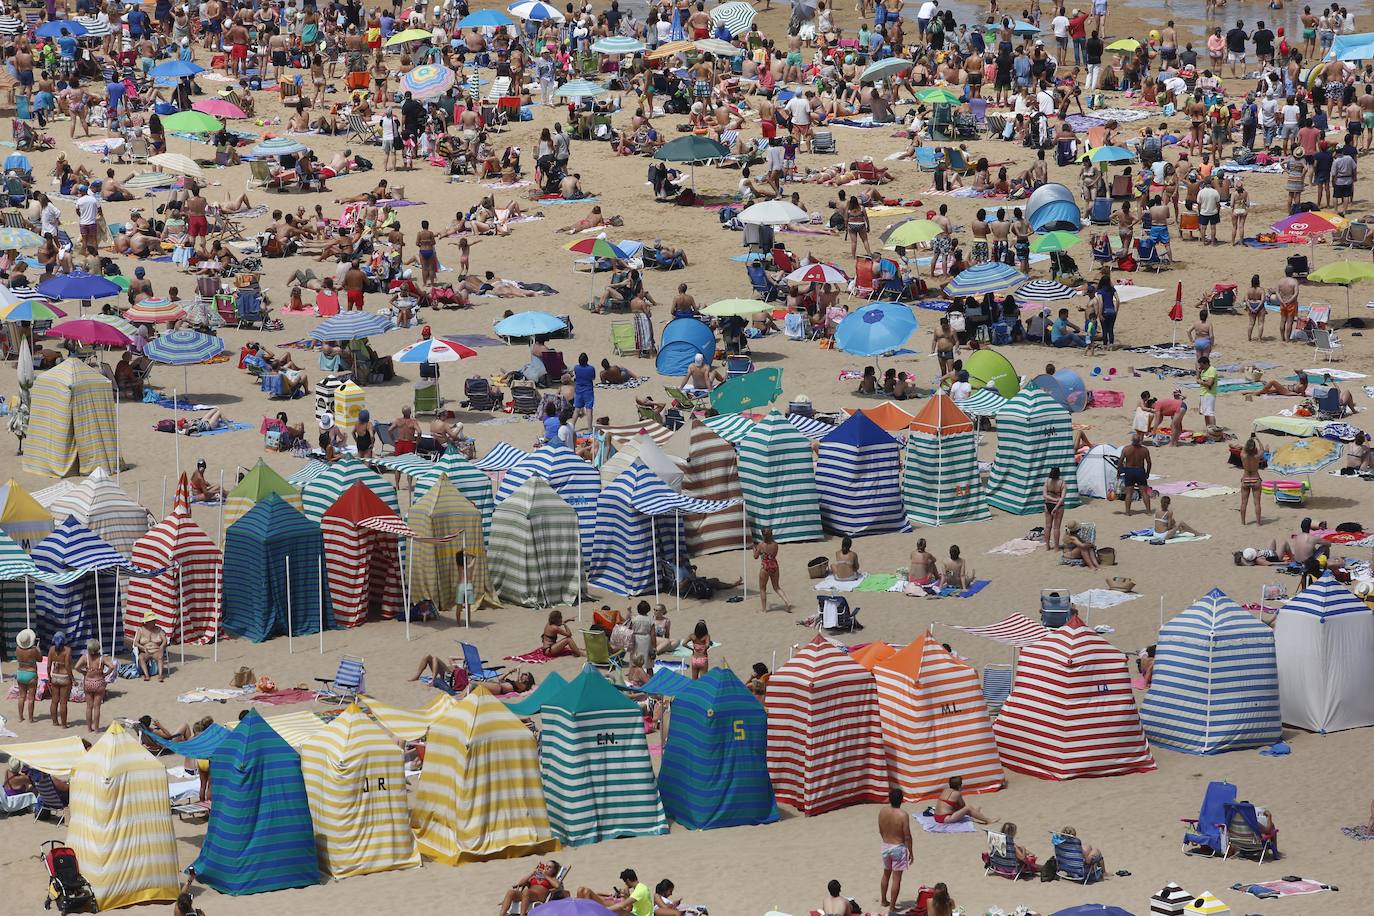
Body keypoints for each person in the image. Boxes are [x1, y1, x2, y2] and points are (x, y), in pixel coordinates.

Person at [878, 787, 914, 910]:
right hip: (898, 847)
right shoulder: (903, 815)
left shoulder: (882, 811)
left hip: (885, 846)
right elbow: (907, 836)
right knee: (896, 878)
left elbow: (881, 830)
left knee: (885, 874)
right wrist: (911, 851)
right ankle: (892, 907)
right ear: (902, 800)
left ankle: (883, 900)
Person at [496, 860, 565, 916]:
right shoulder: (535, 876)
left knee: (526, 892)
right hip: (527, 896)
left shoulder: (552, 879)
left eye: (549, 867)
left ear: (554, 871)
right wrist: (532, 873)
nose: (546, 868)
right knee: (510, 892)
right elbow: (521, 883)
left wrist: (546, 876)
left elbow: (557, 886)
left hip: (538, 897)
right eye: (546, 866)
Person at [74, 638, 114, 732]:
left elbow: (76, 667)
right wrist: (105, 674)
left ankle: (89, 728)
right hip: (99, 682)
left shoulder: (85, 657)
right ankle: (96, 728)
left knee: (89, 707)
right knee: (97, 707)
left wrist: (83, 672)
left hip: (88, 682)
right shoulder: (102, 658)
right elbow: (112, 666)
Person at [575, 868, 652, 914]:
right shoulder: (639, 888)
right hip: (634, 913)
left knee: (618, 911)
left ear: (628, 880)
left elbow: (622, 906)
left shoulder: (640, 890)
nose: (625, 884)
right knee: (582, 890)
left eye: (625, 882)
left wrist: (604, 910)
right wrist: (625, 895)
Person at [753, 528, 791, 613]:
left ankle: (764, 609)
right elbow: (773, 555)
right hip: (774, 566)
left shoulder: (761, 545)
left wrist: (754, 550)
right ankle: (787, 601)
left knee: (762, 589)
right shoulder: (775, 544)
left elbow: (755, 557)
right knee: (776, 587)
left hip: (765, 567)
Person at [1119, 433, 1153, 516]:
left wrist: (1118, 473)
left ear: (1132, 440)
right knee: (1144, 492)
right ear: (1140, 441)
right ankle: (1148, 511)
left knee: (1129, 493)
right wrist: (1147, 473)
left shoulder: (1126, 449)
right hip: (1140, 471)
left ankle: (1127, 512)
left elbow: (1120, 463)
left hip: (1129, 471)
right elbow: (1149, 463)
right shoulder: (1144, 450)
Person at [14, 628, 40, 723]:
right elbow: (40, 659)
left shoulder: (17, 649)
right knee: (31, 698)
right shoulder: (33, 650)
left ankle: (20, 717)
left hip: (20, 673)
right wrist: (37, 648)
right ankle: (30, 718)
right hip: (31, 673)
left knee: (21, 696)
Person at [47, 631, 72, 728]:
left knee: (54, 701)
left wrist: (49, 677)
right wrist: (72, 679)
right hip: (64, 676)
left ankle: (55, 722)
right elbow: (67, 666)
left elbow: (49, 665)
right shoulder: (67, 650)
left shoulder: (51, 649)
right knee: (63, 702)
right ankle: (64, 724)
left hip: (55, 676)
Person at [1240, 435, 1265, 526]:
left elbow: (1244, 448)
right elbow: (1262, 449)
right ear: (1255, 448)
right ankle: (1258, 523)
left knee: (1243, 503)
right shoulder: (1257, 456)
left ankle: (1243, 522)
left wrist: (1249, 439)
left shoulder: (1243, 455)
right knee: (1257, 503)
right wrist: (1258, 439)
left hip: (1245, 479)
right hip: (1256, 479)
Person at [133, 618, 168, 682]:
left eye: (154, 620)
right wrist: (142, 647)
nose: (154, 622)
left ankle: (160, 675)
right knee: (141, 657)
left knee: (160, 656)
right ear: (147, 622)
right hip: (145, 651)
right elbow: (135, 643)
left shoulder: (159, 630)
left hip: (156, 650)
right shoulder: (140, 630)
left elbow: (165, 640)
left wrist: (162, 646)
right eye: (152, 621)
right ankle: (146, 675)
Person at [1043, 466, 1067, 550]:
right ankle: (1056, 547)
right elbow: (1062, 498)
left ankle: (1047, 546)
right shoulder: (1062, 483)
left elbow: (1045, 495)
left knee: (1047, 527)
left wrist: (1052, 499)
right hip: (1059, 507)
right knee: (1056, 528)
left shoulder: (1047, 482)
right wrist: (1056, 506)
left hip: (1048, 505)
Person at [572, 352, 596, 432]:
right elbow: (593, 378)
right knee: (589, 410)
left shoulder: (576, 368)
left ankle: (572, 427)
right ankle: (589, 428)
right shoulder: (591, 368)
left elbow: (575, 376)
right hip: (588, 391)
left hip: (579, 391)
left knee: (577, 410)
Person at [630, 600, 656, 672]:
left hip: (635, 639)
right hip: (646, 639)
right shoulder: (650, 619)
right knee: (649, 663)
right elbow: (653, 634)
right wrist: (654, 646)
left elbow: (629, 630)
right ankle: (650, 679)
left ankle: (633, 677)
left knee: (635, 659)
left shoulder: (634, 619)